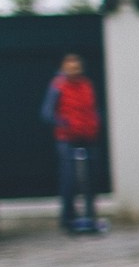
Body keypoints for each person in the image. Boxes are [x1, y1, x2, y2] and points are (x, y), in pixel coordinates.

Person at [41, 53, 102, 234]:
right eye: (70, 67)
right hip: (67, 138)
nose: (74, 70)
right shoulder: (57, 86)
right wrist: (65, 123)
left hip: (88, 136)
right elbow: (46, 113)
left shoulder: (86, 85)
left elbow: (93, 108)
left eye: (77, 67)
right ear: (64, 68)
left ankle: (91, 216)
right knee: (69, 178)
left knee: (91, 177)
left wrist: (97, 122)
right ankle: (68, 218)